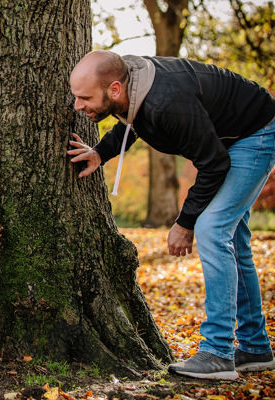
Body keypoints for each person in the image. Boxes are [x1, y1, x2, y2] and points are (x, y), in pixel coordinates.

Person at [67, 50, 275, 380]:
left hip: (255, 133)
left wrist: (185, 222)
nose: (78, 105)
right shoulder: (134, 88)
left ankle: (218, 352)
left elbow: (213, 163)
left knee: (212, 228)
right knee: (233, 236)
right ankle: (255, 346)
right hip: (227, 136)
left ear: (115, 89)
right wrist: (101, 153)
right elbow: (134, 121)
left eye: (84, 98)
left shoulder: (166, 102)